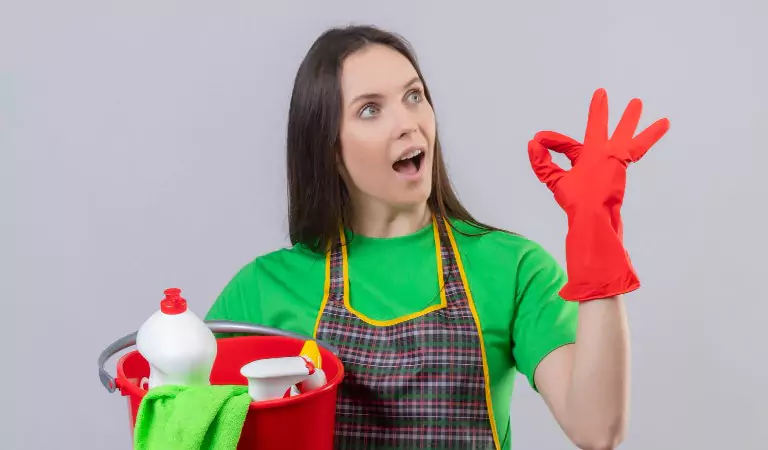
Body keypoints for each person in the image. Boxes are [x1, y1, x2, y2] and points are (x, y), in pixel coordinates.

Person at [205, 24, 670, 450]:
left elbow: (597, 427)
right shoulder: (265, 290)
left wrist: (596, 235)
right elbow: (180, 418)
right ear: (329, 149)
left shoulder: (511, 268)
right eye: (370, 109)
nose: (407, 122)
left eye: (413, 96)